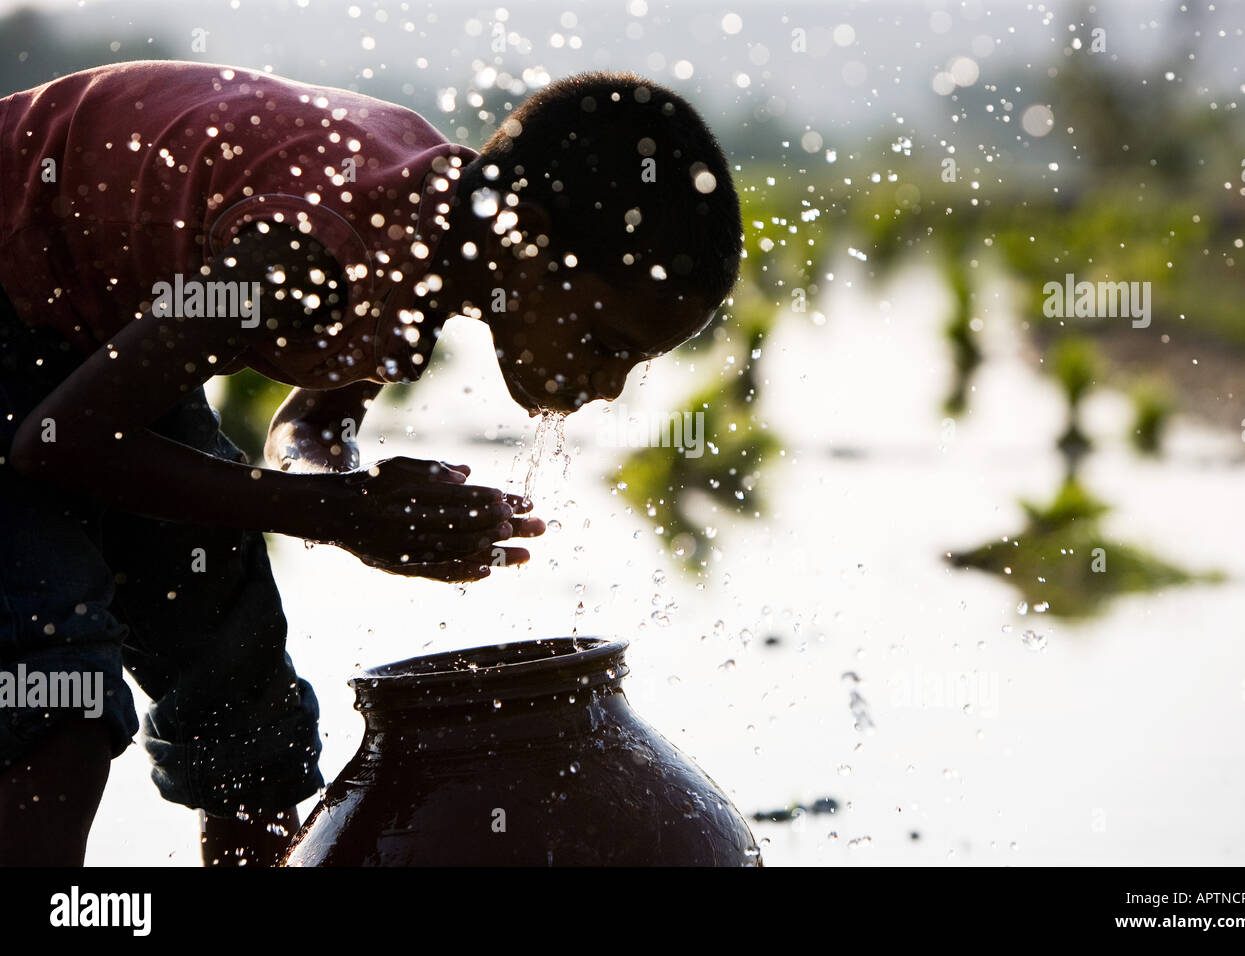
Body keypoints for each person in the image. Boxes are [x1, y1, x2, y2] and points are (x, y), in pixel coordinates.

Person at [0, 60, 742, 866]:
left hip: (80, 344)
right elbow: (54, 443)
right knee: (58, 695)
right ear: (523, 237)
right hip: (19, 327)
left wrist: (356, 498)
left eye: (636, 366)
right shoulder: (306, 255)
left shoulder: (438, 241)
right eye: (604, 345)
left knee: (250, 713)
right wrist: (344, 514)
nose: (605, 388)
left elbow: (308, 431)